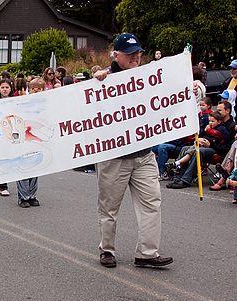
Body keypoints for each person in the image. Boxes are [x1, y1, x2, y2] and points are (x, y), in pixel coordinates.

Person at [93, 33, 173, 268]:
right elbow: (87, 106)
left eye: (138, 53)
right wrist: (97, 79)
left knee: (152, 202)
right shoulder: (104, 80)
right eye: (130, 54)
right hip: (114, 157)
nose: (136, 57)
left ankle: (147, 252)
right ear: (115, 55)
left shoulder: (146, 77)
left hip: (143, 154)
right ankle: (106, 249)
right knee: (109, 207)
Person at [168, 101, 235, 189]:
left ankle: (186, 180)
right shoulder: (213, 121)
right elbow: (205, 135)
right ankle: (178, 177)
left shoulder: (232, 126)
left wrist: (210, 145)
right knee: (185, 148)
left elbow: (228, 148)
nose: (217, 112)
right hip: (207, 146)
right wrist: (200, 138)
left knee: (198, 152)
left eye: (220, 110)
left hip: (219, 151)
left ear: (227, 111)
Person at [16, 77, 44, 208]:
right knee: (24, 167)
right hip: (24, 138)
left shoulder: (45, 104)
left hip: (37, 140)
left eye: (38, 88)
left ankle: (32, 195)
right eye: (33, 88)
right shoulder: (23, 102)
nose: (36, 90)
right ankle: (23, 197)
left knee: (35, 167)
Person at [0, 78, 14, 197]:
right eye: (2, 87)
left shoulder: (15, 101)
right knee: (2, 158)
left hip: (12, 133)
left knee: (10, 157)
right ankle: (3, 185)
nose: (5, 89)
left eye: (7, 87)